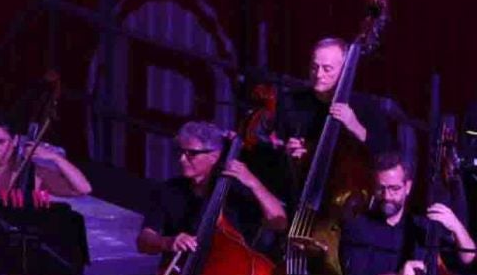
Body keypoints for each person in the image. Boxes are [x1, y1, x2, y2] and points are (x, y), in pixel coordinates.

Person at [268, 36, 394, 205]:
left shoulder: (365, 107)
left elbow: (385, 153)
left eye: (327, 69)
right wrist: (287, 151)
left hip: (347, 201)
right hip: (299, 193)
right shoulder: (291, 102)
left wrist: (354, 125)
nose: (319, 75)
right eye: (314, 67)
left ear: (344, 70)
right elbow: (276, 147)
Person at [136, 120, 287, 255]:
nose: (182, 159)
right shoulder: (168, 190)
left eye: (191, 154)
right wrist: (168, 242)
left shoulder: (238, 191)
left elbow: (279, 223)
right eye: (180, 151)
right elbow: (143, 241)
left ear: (214, 156)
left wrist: (253, 183)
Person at [340, 149, 477, 275]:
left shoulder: (422, 226)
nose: (387, 196)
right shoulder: (357, 227)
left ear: (408, 187)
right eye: (381, 188)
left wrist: (456, 225)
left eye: (395, 188)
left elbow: (468, 259)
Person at [0, 117, 92, 236]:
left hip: (27, 255)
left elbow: (82, 188)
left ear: (15, 141)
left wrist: (56, 159)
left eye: (1, 142)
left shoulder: (34, 174)